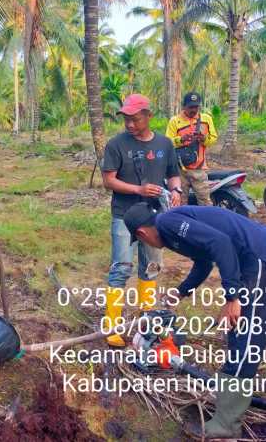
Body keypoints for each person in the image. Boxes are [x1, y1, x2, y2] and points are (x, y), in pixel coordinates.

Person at [123, 203, 266, 440]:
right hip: (257, 259)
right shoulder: (171, 231)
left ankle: (227, 424)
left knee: (246, 337)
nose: (147, 244)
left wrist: (232, 296)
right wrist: (181, 291)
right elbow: (204, 261)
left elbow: (220, 243)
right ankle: (228, 410)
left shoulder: (167, 224)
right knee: (237, 331)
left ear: (141, 233)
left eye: (141, 241)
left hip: (265, 258)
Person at [100, 94, 181, 347]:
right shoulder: (116, 145)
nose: (130, 125)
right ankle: (112, 327)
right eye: (126, 119)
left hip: (154, 218)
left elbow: (173, 175)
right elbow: (108, 181)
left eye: (135, 119)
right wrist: (139, 190)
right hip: (124, 216)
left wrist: (176, 192)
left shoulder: (165, 145)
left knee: (151, 268)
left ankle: (146, 321)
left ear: (148, 116)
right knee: (121, 267)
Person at [166, 92, 218, 205]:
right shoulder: (174, 121)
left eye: (196, 106)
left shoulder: (206, 119)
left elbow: (213, 139)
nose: (194, 110)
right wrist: (181, 140)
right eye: (191, 107)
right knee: (180, 202)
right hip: (179, 170)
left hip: (199, 169)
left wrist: (203, 138)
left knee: (205, 202)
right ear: (184, 106)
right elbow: (168, 143)